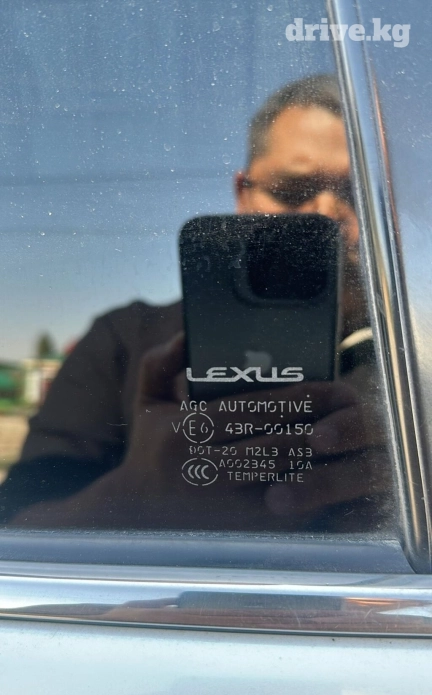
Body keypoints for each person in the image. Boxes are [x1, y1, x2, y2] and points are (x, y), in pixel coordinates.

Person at [0, 74, 392, 531]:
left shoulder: (418, 360)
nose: (325, 216)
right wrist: (138, 498)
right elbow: (16, 527)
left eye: (362, 196)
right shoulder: (124, 341)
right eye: (290, 191)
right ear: (242, 193)